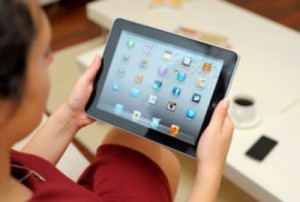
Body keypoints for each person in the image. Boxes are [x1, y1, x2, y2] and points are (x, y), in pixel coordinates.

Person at [0, 0, 234, 201]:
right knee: (162, 160)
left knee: (128, 135)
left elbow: (21, 169)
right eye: (43, 54)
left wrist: (71, 116)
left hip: (50, 185)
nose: (51, 59)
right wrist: (210, 171)